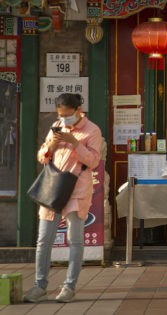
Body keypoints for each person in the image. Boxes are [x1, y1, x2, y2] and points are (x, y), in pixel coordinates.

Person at [24, 93, 102, 303]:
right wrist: (51, 147)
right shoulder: (56, 126)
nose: (64, 119)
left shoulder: (92, 130)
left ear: (79, 110)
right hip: (52, 188)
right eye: (61, 115)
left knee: (75, 240)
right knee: (43, 241)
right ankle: (39, 286)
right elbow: (42, 156)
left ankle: (69, 287)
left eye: (68, 115)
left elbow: (94, 161)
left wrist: (74, 143)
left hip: (77, 189)